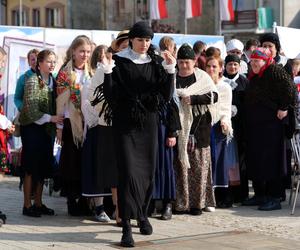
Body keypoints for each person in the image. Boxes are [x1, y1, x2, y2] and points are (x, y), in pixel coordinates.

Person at [93, 21, 176, 247]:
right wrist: (108, 72)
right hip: (125, 124)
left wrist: (170, 70)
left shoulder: (157, 61)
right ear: (131, 39)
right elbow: (110, 97)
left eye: (148, 40)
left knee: (147, 174)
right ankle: (126, 227)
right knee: (128, 174)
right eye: (140, 40)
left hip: (148, 124)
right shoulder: (118, 61)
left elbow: (166, 97)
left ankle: (142, 215)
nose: (144, 44)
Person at [243, 48, 296, 211]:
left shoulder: (273, 70)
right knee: (258, 160)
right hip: (257, 125)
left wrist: (284, 107)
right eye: (252, 61)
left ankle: (274, 197)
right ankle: (260, 195)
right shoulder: (255, 75)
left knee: (272, 161)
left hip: (271, 124)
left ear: (265, 61)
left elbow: (290, 89)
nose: (253, 64)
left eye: (257, 61)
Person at [174, 44, 218, 216]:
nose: (184, 66)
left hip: (200, 129)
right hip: (180, 130)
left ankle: (197, 204)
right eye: (181, 62)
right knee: (181, 167)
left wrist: (193, 98)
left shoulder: (202, 78)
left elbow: (214, 96)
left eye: (187, 62)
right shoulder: (173, 79)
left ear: (194, 62)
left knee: (199, 168)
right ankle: (181, 203)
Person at [19, 49, 63, 217]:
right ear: (39, 63)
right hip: (31, 128)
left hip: (46, 130)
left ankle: (38, 202)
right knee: (30, 166)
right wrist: (51, 118)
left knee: (43, 166)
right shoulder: (32, 81)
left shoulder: (53, 81)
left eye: (54, 61)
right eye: (49, 61)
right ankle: (27, 205)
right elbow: (30, 109)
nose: (52, 64)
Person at [81, 44, 120, 224]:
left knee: (111, 169)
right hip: (98, 128)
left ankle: (115, 207)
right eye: (103, 57)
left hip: (112, 128)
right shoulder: (91, 80)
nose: (106, 60)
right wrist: (101, 115)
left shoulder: (116, 76)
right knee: (97, 168)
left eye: (109, 57)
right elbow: (87, 104)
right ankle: (98, 207)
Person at [56, 35, 93, 216]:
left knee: (85, 162)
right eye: (81, 51)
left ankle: (85, 200)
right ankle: (72, 199)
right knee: (71, 162)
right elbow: (61, 104)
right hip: (71, 122)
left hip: (88, 122)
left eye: (87, 51)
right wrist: (60, 128)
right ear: (73, 52)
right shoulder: (65, 73)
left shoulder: (91, 71)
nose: (85, 55)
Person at [150, 36, 181, 221]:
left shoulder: (168, 77)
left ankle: (168, 204)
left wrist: (172, 132)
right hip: (151, 129)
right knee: (152, 166)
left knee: (166, 166)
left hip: (164, 128)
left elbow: (172, 105)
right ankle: (152, 202)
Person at [223, 54, 249, 204]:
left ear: (239, 66)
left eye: (235, 64)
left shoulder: (245, 82)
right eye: (229, 64)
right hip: (225, 127)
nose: (232, 67)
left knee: (240, 161)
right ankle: (226, 194)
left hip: (240, 128)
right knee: (226, 161)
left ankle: (241, 194)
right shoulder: (222, 81)